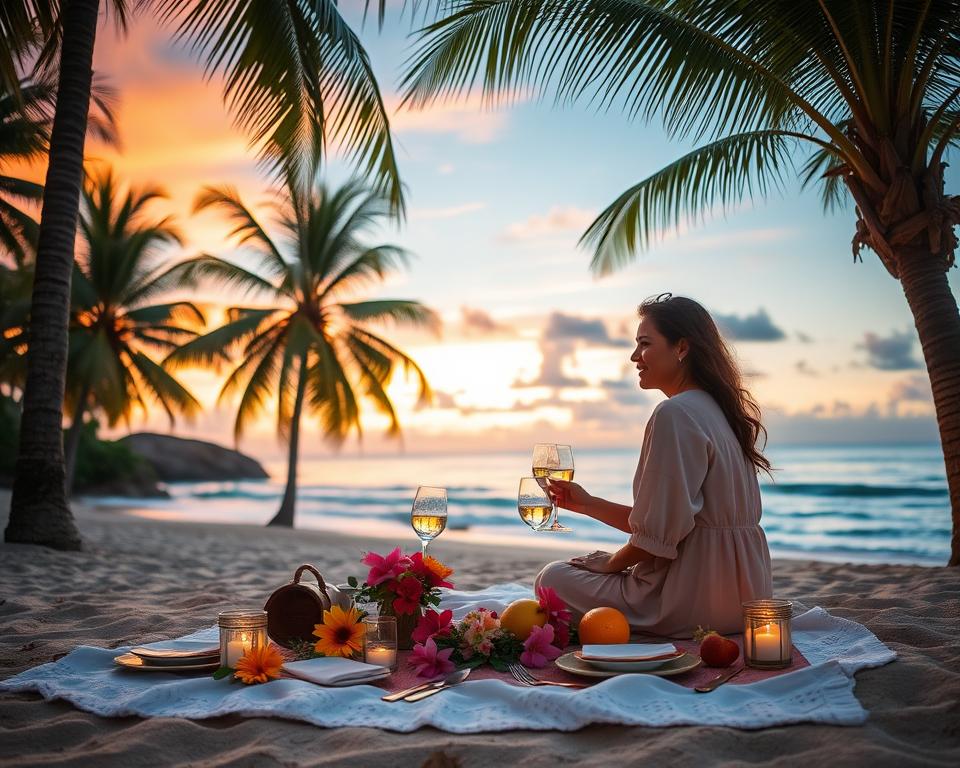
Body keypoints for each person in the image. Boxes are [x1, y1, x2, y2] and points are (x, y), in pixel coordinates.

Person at [537, 293, 773, 637]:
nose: (635, 357)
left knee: (552, 577)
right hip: (747, 598)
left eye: (644, 344)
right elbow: (670, 526)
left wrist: (611, 563)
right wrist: (585, 504)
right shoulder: (721, 412)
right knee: (581, 570)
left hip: (692, 601)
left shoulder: (674, 413)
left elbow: (654, 540)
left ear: (681, 348)